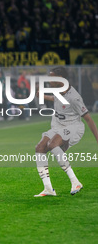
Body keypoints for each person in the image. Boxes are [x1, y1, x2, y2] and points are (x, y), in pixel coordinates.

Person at [34, 67, 98, 197]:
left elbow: (88, 119)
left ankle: (75, 181)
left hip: (73, 126)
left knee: (53, 145)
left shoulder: (74, 98)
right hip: (58, 126)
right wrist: (44, 96)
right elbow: (55, 99)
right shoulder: (58, 90)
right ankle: (48, 188)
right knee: (40, 147)